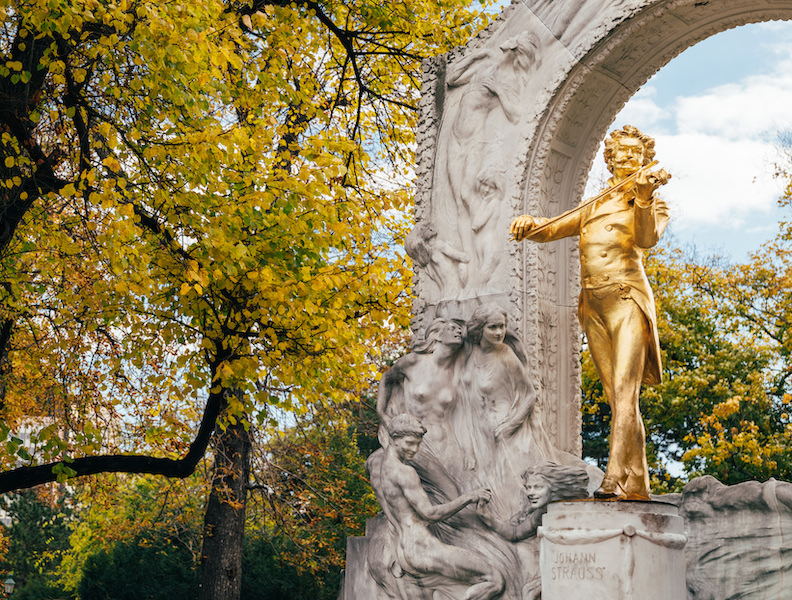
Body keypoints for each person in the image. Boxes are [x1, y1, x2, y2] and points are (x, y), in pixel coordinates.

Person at [510, 125, 671, 500]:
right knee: (617, 400)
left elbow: (646, 239)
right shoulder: (595, 203)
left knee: (625, 392)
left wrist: (645, 197)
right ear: (610, 158)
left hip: (626, 296)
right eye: (621, 152)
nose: (628, 158)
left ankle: (613, 477)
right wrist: (529, 227)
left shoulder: (649, 200)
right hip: (593, 304)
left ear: (645, 159)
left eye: (635, 152)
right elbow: (551, 229)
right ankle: (638, 484)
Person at [371, 414, 505, 600]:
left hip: (404, 550)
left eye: (418, 444)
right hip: (422, 548)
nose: (415, 449)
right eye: (409, 443)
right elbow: (430, 513)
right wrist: (469, 497)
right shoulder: (404, 473)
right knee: (494, 579)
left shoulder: (380, 468)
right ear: (393, 439)